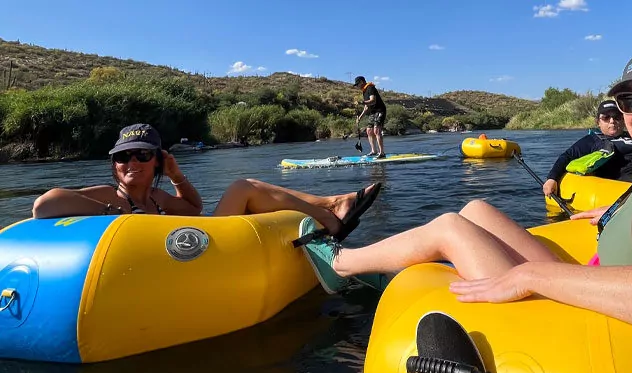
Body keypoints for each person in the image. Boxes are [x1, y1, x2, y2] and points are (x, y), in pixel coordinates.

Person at [299, 47, 632, 345]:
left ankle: (340, 264)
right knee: (476, 209)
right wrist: (621, 211)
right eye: (630, 101)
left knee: (451, 227)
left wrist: (530, 277)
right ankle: (394, 263)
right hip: (598, 293)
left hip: (583, 325)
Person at [31, 123, 382, 244]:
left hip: (192, 250)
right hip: (178, 260)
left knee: (247, 188)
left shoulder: (157, 197)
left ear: (156, 160)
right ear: (114, 165)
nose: (130, 163)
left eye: (141, 155)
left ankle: (330, 205)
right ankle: (331, 210)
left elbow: (194, 208)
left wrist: (176, 175)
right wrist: (113, 211)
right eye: (122, 157)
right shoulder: (111, 194)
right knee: (243, 187)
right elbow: (45, 205)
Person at [542, 99, 632, 197]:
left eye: (617, 117)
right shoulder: (593, 140)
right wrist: (552, 178)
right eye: (606, 117)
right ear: (598, 122)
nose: (612, 121)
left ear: (623, 119)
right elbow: (567, 156)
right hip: (628, 183)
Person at [354, 76, 388, 158]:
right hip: (373, 112)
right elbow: (366, 107)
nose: (357, 86)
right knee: (369, 131)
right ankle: (374, 151)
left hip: (380, 110)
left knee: (376, 130)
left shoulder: (370, 88)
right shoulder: (364, 91)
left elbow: (373, 101)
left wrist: (361, 102)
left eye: (357, 84)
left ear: (361, 82)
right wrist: (360, 118)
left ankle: (382, 153)